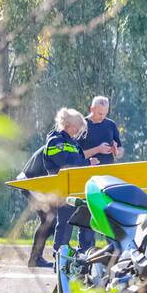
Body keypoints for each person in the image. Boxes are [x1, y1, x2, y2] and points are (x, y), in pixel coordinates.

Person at [27, 108, 98, 267]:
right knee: (64, 222)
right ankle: (60, 253)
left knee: (83, 218)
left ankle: (84, 251)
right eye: (78, 127)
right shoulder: (56, 141)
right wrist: (87, 162)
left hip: (74, 188)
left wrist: (87, 164)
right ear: (69, 126)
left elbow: (77, 162)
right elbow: (63, 164)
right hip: (61, 188)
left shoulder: (73, 143)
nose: (79, 131)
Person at [79, 95, 123, 165]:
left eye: (105, 114)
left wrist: (116, 152)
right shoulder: (80, 125)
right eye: (100, 114)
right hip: (87, 170)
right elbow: (75, 155)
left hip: (108, 169)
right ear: (92, 109)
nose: (102, 117)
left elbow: (120, 149)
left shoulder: (111, 124)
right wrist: (98, 149)